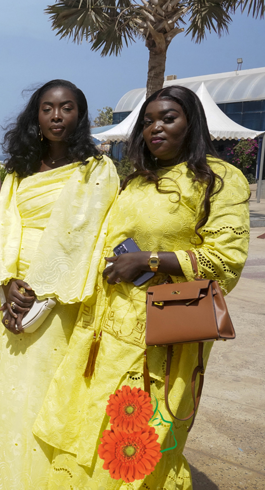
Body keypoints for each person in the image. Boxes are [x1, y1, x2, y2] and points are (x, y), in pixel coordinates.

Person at [32, 85, 250, 488]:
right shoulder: (135, 181)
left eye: (169, 118)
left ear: (192, 123)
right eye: (148, 121)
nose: (156, 128)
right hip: (105, 331)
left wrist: (148, 259)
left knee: (137, 446)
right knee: (91, 433)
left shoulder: (218, 181)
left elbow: (225, 262)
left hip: (164, 334)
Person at [0, 80, 119, 489]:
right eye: (48, 108)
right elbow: (8, 225)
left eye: (67, 108)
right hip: (17, 293)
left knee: (49, 388)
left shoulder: (98, 169)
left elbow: (87, 233)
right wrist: (6, 284)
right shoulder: (20, 169)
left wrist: (43, 289)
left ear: (80, 115)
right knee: (13, 386)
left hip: (60, 294)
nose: (57, 116)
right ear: (35, 116)